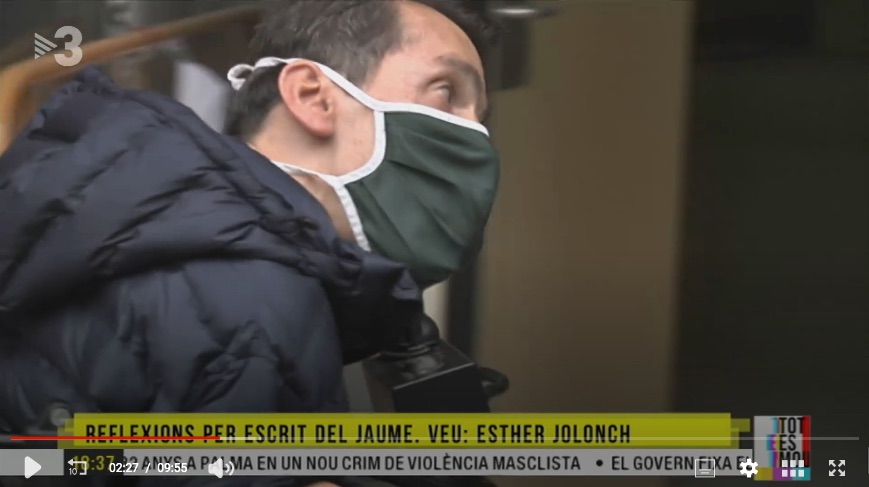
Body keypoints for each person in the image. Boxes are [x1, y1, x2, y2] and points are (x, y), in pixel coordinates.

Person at [0, 0, 499, 486]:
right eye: (446, 91)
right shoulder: (250, 298)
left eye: (478, 113)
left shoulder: (166, 222)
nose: (474, 136)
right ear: (313, 96)